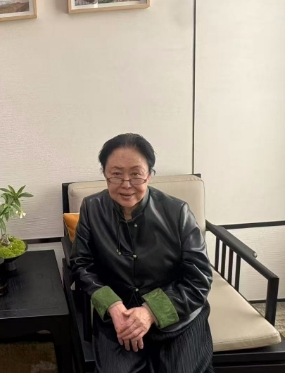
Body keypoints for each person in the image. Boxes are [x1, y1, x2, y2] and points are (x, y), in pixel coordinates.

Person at [71, 133, 214, 373]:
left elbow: (198, 279)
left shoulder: (178, 212)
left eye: (136, 174)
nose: (126, 184)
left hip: (177, 316)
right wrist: (112, 305)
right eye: (116, 174)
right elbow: (81, 264)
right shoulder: (92, 208)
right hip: (121, 316)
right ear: (105, 174)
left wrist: (150, 311)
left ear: (149, 175)